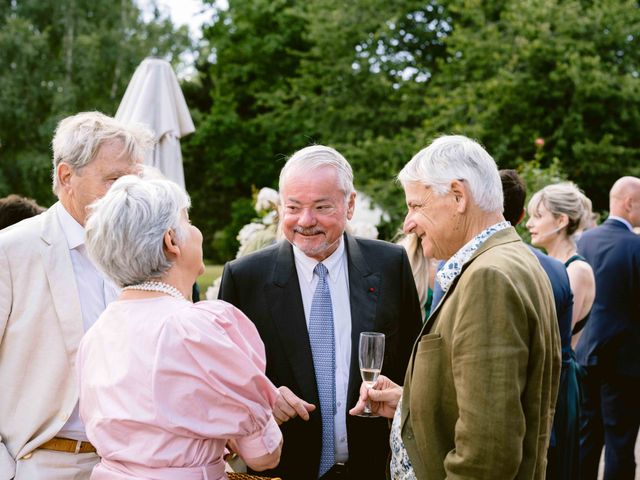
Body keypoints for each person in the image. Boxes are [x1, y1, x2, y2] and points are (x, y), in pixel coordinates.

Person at [350, 135, 561, 479]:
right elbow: (485, 397)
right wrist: (410, 405)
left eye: (416, 206)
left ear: (459, 196)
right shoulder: (506, 257)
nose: (408, 224)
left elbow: (488, 453)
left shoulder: (488, 277)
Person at [218, 144, 423, 479]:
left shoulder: (390, 265)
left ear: (350, 204)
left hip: (375, 468)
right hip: (282, 470)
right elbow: (223, 384)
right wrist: (263, 400)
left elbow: (415, 366)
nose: (305, 221)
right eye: (293, 207)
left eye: (321, 207)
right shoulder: (245, 278)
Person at [77, 175, 282, 479]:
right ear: (171, 241)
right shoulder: (196, 328)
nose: (196, 231)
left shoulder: (97, 334)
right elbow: (264, 455)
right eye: (188, 220)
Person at [0, 112, 154, 479]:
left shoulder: (149, 255)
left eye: (135, 182)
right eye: (114, 180)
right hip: (38, 463)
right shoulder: (10, 252)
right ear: (67, 176)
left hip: (130, 465)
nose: (127, 196)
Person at [501, 169, 580, 480]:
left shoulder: (479, 268)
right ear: (521, 215)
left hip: (541, 389)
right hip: (555, 384)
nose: (533, 222)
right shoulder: (555, 268)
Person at [575, 176, 640, 480]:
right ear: (630, 203)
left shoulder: (585, 240)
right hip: (625, 361)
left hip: (586, 353)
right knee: (620, 441)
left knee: (587, 437)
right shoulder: (637, 246)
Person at [526, 182, 596, 348]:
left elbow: (555, 335)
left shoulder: (577, 270)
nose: (529, 223)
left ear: (561, 221)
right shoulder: (543, 262)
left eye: (538, 216)